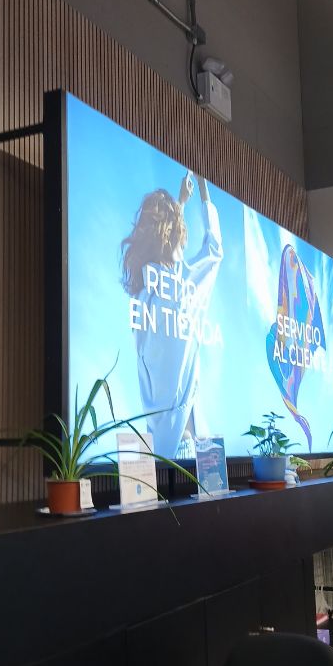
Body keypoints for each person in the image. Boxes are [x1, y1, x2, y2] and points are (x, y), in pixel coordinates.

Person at [120, 172, 223, 459]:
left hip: (155, 449)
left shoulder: (142, 296)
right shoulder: (182, 289)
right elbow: (214, 250)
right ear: (175, 235)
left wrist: (179, 204)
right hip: (185, 448)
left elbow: (165, 255)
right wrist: (203, 189)